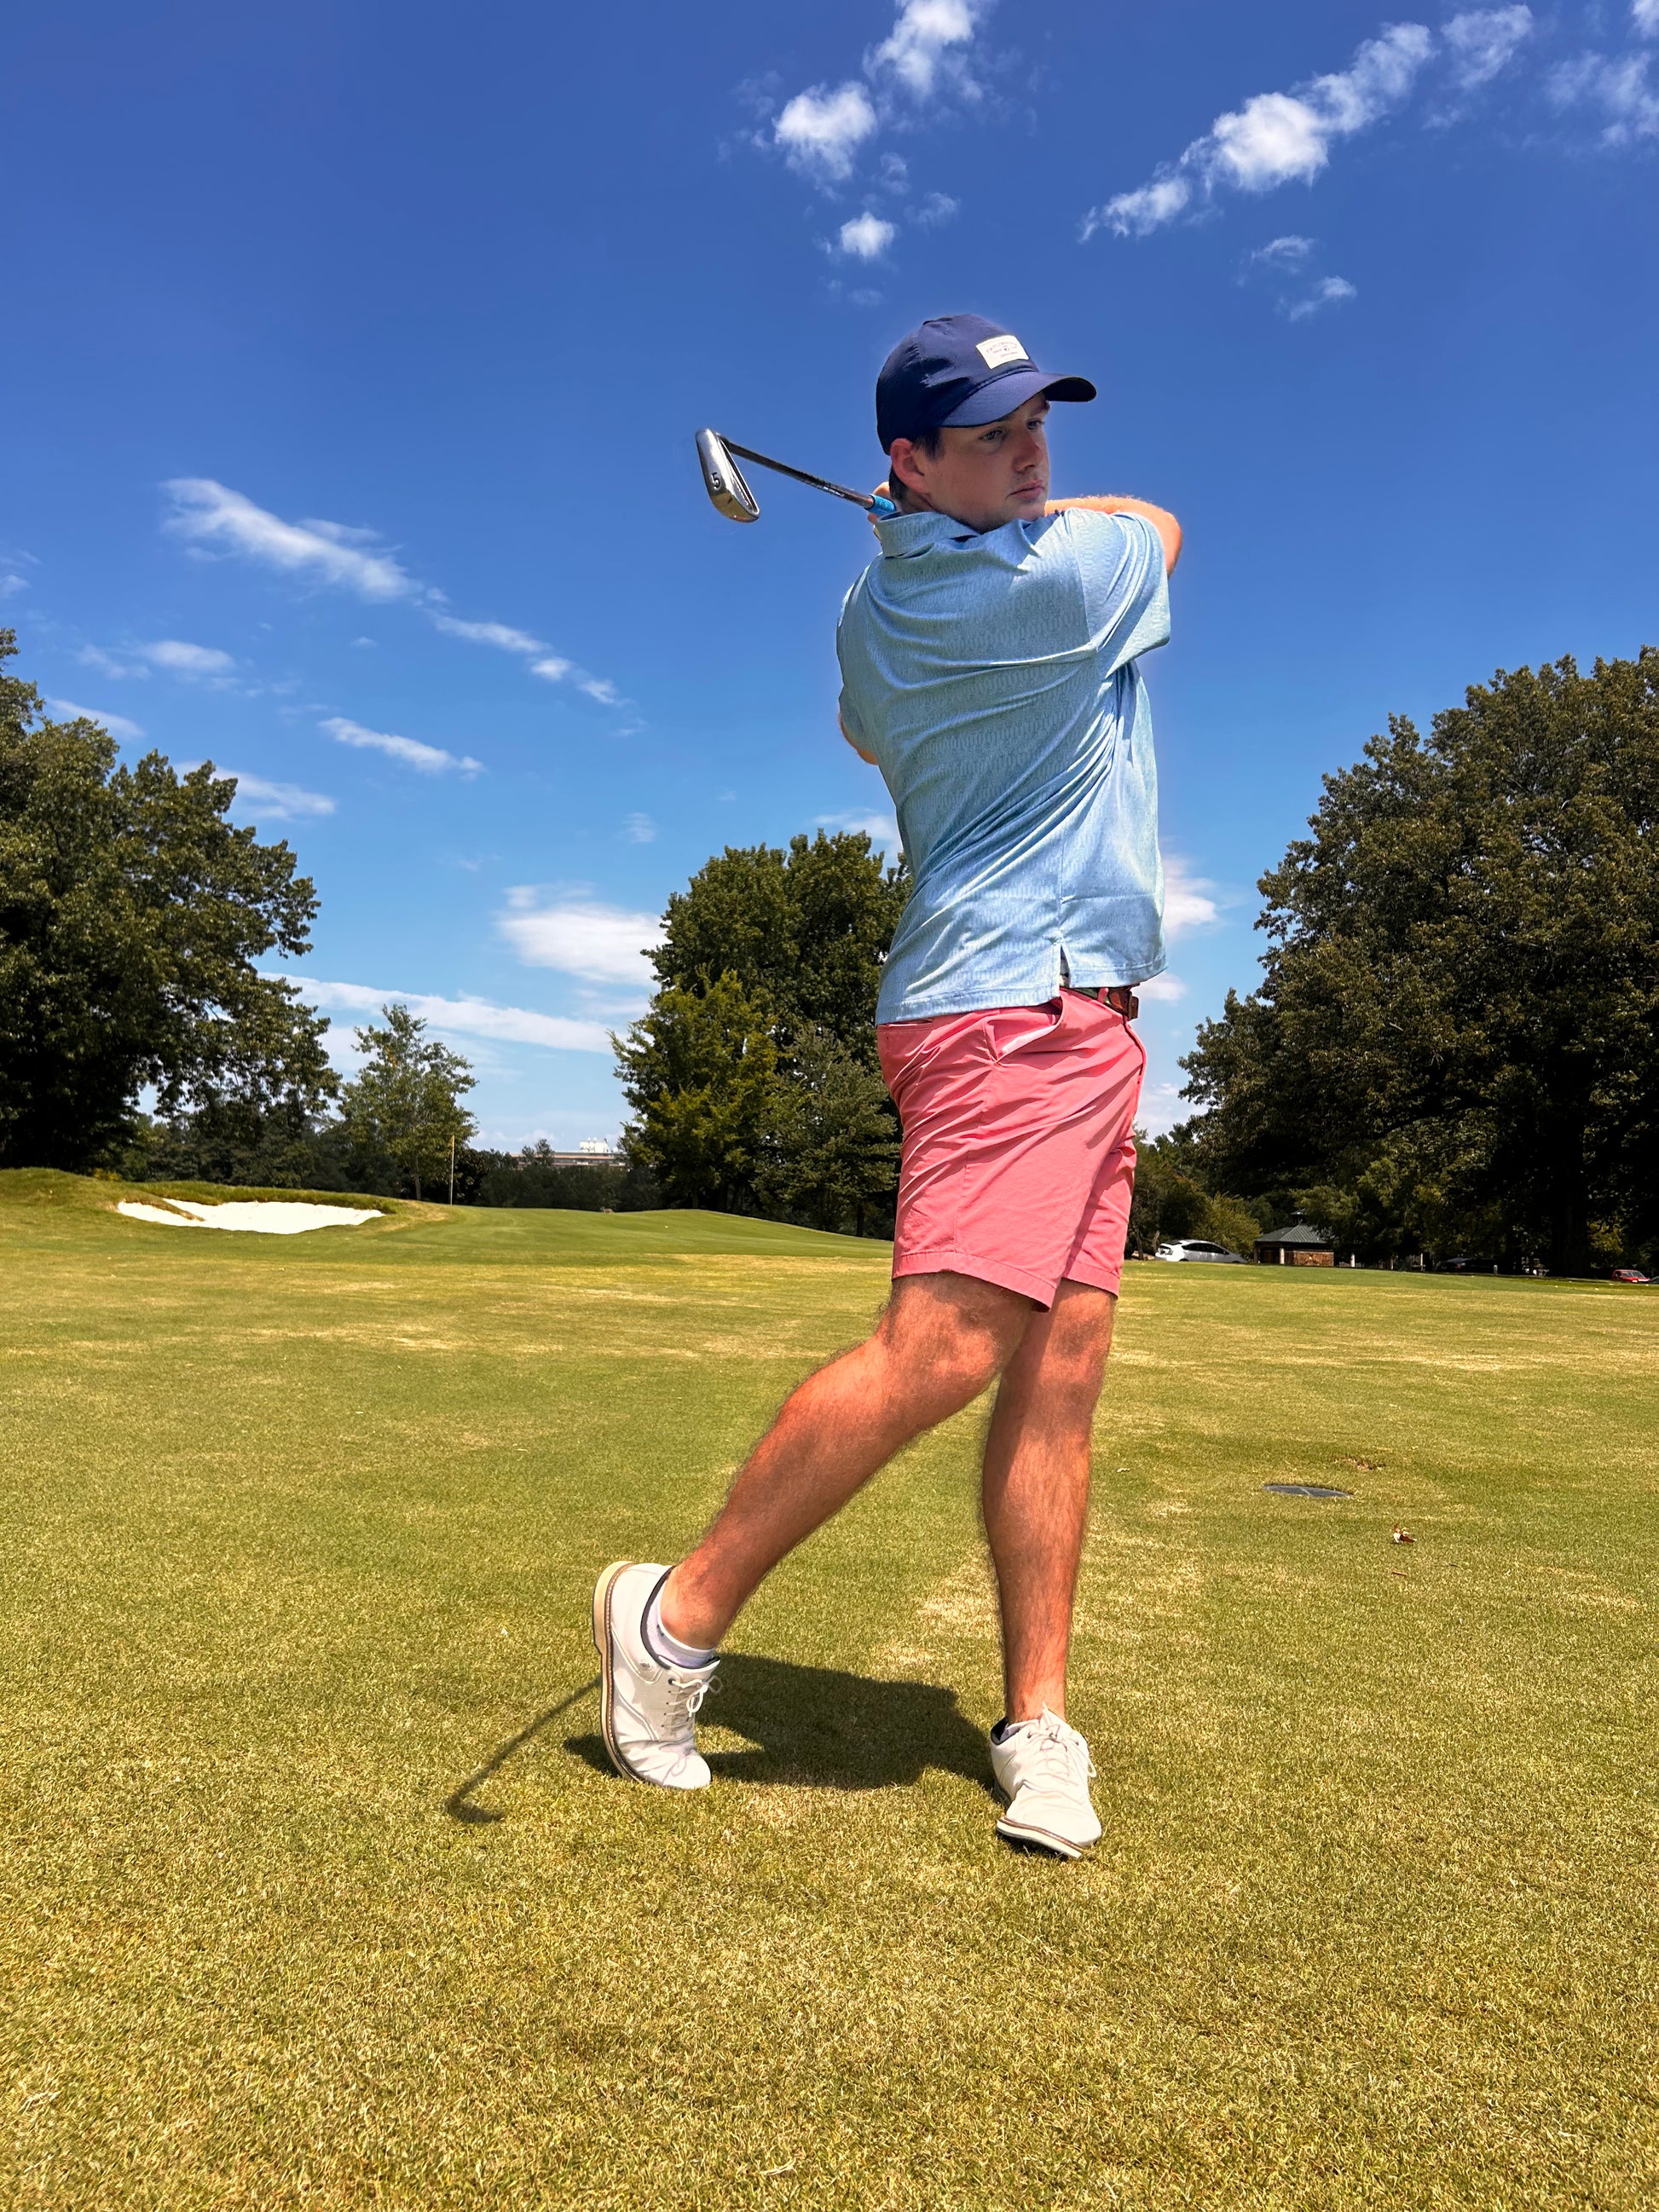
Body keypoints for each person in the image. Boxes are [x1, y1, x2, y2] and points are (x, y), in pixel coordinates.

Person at [593, 314, 1181, 1858]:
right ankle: (674, 1616)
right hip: (1016, 1006)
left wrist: (937, 526)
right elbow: (1164, 526)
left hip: (1065, 1007)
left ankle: (1037, 1717)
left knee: (1059, 1377)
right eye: (989, 434)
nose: (1033, 450)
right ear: (905, 462)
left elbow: (868, 738)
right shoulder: (1064, 577)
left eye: (1037, 421)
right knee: (945, 1343)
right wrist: (1004, 527)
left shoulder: (872, 616)